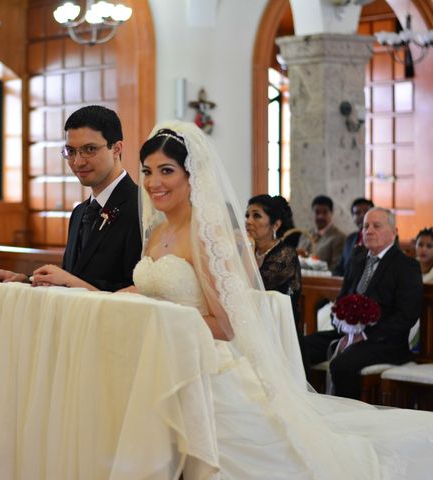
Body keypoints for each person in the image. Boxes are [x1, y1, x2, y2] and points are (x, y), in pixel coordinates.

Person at [132, 120, 433, 479]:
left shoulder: (207, 235)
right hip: (156, 356)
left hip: (200, 363)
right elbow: (146, 291)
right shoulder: (155, 232)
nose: (154, 182)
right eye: (148, 171)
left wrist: (163, 320)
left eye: (166, 171)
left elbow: (225, 325)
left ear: (191, 175)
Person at [0, 105, 141, 292]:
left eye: (89, 149)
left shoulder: (140, 208)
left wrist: (67, 280)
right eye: (71, 151)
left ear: (117, 148)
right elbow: (71, 279)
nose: (78, 162)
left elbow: (138, 293)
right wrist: (24, 280)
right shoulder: (80, 212)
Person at [305, 207, 423, 400]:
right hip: (346, 333)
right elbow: (341, 301)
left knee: (342, 364)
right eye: (365, 226)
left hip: (385, 342)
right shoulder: (357, 260)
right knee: (302, 346)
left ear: (393, 232)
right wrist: (340, 322)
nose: (368, 231)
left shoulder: (406, 266)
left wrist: (365, 334)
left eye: (376, 226)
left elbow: (406, 316)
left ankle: (347, 418)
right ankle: (308, 405)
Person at [245, 194, 301, 315]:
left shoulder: (286, 255)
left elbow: (254, 289)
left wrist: (248, 246)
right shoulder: (248, 249)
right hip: (250, 316)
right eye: (247, 215)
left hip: (276, 324)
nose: (248, 221)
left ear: (275, 225)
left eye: (256, 216)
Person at [297, 195, 346, 271]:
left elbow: (336, 269)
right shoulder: (304, 235)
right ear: (312, 213)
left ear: (331, 212)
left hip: (322, 281)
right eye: (317, 212)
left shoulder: (339, 238)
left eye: (325, 212)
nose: (320, 216)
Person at [332, 197, 374, 276]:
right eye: (357, 213)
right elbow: (340, 267)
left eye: (366, 212)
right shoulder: (350, 239)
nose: (362, 216)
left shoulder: (378, 239)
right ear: (353, 217)